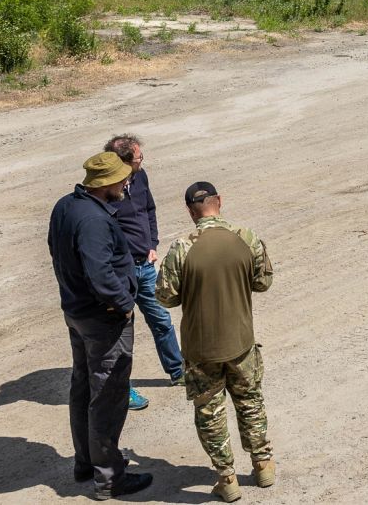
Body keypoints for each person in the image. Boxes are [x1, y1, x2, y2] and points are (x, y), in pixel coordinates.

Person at [156, 183, 275, 504]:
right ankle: (263, 466)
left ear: (190, 211)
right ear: (219, 202)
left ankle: (227, 479)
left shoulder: (181, 248)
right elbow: (263, 282)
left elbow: (165, 296)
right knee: (250, 402)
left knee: (210, 413)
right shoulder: (246, 237)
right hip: (242, 342)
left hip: (200, 349)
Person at [47, 152, 153, 500]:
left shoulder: (66, 205)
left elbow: (56, 251)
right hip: (101, 320)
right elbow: (101, 274)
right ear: (104, 184)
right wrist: (123, 306)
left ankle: (85, 462)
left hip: (76, 313)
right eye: (122, 179)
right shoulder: (93, 221)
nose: (127, 182)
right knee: (107, 396)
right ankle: (110, 479)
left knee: (82, 388)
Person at [104, 134, 184, 414]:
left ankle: (178, 371)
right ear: (122, 162)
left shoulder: (140, 177)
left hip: (145, 265)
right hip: (119, 274)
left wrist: (152, 244)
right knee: (118, 334)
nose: (142, 162)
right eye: (138, 158)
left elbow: (149, 210)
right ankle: (120, 390)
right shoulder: (106, 188)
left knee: (161, 319)